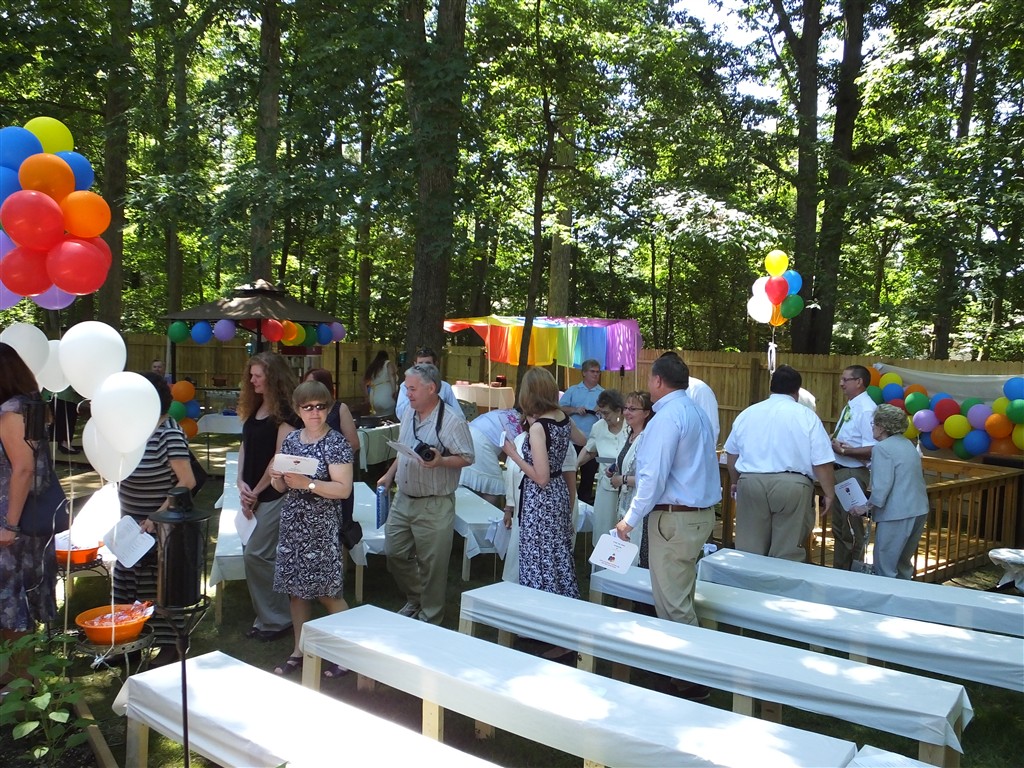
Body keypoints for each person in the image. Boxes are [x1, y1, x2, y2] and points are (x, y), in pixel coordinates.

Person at [615, 352, 720, 700]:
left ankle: (695, 679)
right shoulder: (697, 412)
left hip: (674, 518)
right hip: (698, 515)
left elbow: (652, 477)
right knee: (682, 596)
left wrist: (629, 519)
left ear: (658, 381)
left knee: (673, 604)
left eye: (650, 378)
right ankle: (682, 673)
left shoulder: (667, 417)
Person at [268, 380, 353, 677]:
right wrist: (276, 475)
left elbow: (343, 489)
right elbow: (279, 487)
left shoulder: (336, 443)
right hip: (293, 524)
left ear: (328, 409)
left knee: (327, 592)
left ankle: (347, 654)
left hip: (321, 526)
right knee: (295, 592)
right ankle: (300, 650)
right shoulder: (292, 440)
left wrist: (310, 484)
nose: (315, 413)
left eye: (320, 406)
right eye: (308, 407)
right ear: (298, 409)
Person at [379, 363, 473, 624]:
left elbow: (467, 457)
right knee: (394, 553)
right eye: (406, 388)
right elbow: (404, 448)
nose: (406, 394)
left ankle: (430, 619)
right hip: (403, 497)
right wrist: (389, 474)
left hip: (435, 503)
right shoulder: (410, 412)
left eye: (411, 389)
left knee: (433, 566)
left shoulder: (452, 421)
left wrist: (441, 461)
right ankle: (418, 598)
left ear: (431, 389)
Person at [115, 372, 197, 666]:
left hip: (159, 527)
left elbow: (186, 481)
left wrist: (156, 516)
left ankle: (170, 646)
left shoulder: (169, 433)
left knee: (157, 588)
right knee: (126, 585)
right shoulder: (133, 430)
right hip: (131, 524)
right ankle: (128, 644)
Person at [724, 365, 836, 562]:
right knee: (786, 552)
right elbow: (822, 461)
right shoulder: (807, 416)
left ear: (771, 387)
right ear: (797, 391)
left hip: (751, 482)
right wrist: (828, 493)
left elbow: (732, 454)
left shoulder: (748, 413)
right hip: (792, 485)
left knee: (749, 550)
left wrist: (735, 481)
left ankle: (747, 580)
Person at [0, 344, 58, 693]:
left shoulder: (11, 411)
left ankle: (20, 684)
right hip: (29, 519)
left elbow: (23, 469)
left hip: (13, 522)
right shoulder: (29, 406)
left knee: (11, 604)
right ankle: (17, 679)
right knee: (19, 601)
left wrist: (9, 525)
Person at [237, 352, 301, 641]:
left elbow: (280, 459)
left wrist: (256, 491)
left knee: (256, 555)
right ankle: (265, 617)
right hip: (252, 495)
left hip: (275, 495)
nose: (252, 380)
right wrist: (240, 482)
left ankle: (278, 619)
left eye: (257, 376)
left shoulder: (286, 414)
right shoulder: (256, 407)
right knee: (254, 555)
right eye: (251, 375)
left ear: (273, 378)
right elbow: (245, 446)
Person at [504, 367, 578, 599]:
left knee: (537, 557)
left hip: (540, 502)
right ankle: (564, 601)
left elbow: (541, 477)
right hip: (559, 493)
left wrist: (514, 454)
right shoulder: (563, 419)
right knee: (557, 554)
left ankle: (539, 606)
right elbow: (583, 439)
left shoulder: (538, 428)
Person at [850, 405, 929, 579]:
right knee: (903, 565)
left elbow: (881, 486)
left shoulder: (882, 448)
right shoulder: (908, 444)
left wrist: (865, 507)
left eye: (873, 423)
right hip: (918, 509)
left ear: (882, 427)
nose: (872, 427)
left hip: (896, 513)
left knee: (885, 566)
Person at [502, 420, 577, 583]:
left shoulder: (558, 441)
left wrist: (568, 517)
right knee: (518, 562)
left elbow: (570, 485)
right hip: (524, 512)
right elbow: (511, 476)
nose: (533, 418)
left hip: (546, 513)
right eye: (529, 414)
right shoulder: (520, 438)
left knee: (545, 566)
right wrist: (509, 507)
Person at [831, 365, 877, 570]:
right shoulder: (851, 406)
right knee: (839, 527)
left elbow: (873, 448)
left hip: (852, 473)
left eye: (845, 379)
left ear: (859, 382)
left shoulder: (866, 409)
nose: (841, 383)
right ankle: (839, 570)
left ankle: (852, 571)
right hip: (839, 471)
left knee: (851, 528)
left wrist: (844, 451)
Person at [575, 390, 627, 536]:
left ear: (618, 410)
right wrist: (574, 466)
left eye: (607, 413)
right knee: (604, 527)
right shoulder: (598, 427)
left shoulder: (629, 426)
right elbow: (589, 451)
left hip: (627, 486)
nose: (604, 416)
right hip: (606, 486)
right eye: (601, 413)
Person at [609, 391, 653, 564]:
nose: (627, 412)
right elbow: (625, 460)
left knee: (639, 550)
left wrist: (622, 479)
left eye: (633, 409)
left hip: (641, 505)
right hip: (625, 501)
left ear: (646, 413)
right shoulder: (629, 435)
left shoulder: (647, 439)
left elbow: (649, 478)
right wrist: (614, 469)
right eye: (625, 408)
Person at [559, 359, 604, 504]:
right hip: (572, 441)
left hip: (592, 442)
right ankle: (567, 503)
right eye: (592, 371)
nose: (596, 374)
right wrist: (575, 410)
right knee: (568, 473)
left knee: (589, 476)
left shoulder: (603, 393)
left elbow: (612, 415)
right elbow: (559, 409)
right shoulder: (573, 390)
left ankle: (585, 506)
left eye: (598, 372)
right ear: (584, 373)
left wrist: (602, 411)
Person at [460, 407, 524, 505]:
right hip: (481, 442)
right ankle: (485, 512)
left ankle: (479, 509)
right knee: (495, 486)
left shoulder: (504, 412)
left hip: (468, 434)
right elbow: (514, 451)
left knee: (483, 480)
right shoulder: (517, 421)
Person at [394, 347, 462, 420]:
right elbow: (400, 414)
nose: (424, 367)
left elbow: (459, 415)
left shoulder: (445, 387)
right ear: (415, 364)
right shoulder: (405, 386)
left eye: (428, 363)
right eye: (420, 364)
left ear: (435, 364)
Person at [49, 386, 84, 454]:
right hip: (66, 397)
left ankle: (63, 443)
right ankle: (64, 443)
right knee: (66, 421)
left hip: (59, 395)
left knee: (61, 420)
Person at [364, 350, 398, 418]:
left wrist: (367, 396)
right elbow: (392, 375)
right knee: (388, 417)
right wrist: (394, 391)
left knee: (377, 417)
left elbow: (362, 382)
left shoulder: (373, 367)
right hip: (386, 394)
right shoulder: (388, 364)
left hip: (374, 397)